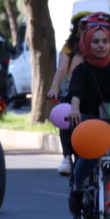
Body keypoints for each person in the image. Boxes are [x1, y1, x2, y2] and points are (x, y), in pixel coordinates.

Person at [65, 15, 110, 219]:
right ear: (86, 43)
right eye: (95, 42)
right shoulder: (81, 69)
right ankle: (78, 188)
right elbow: (76, 94)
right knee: (90, 154)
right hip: (88, 121)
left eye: (104, 41)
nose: (100, 46)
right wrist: (75, 109)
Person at [47, 11, 90, 176]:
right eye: (83, 26)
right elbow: (62, 69)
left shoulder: (101, 44)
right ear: (76, 29)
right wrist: (54, 86)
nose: (86, 30)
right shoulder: (70, 47)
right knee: (66, 112)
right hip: (74, 91)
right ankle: (67, 156)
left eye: (91, 26)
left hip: (96, 92)